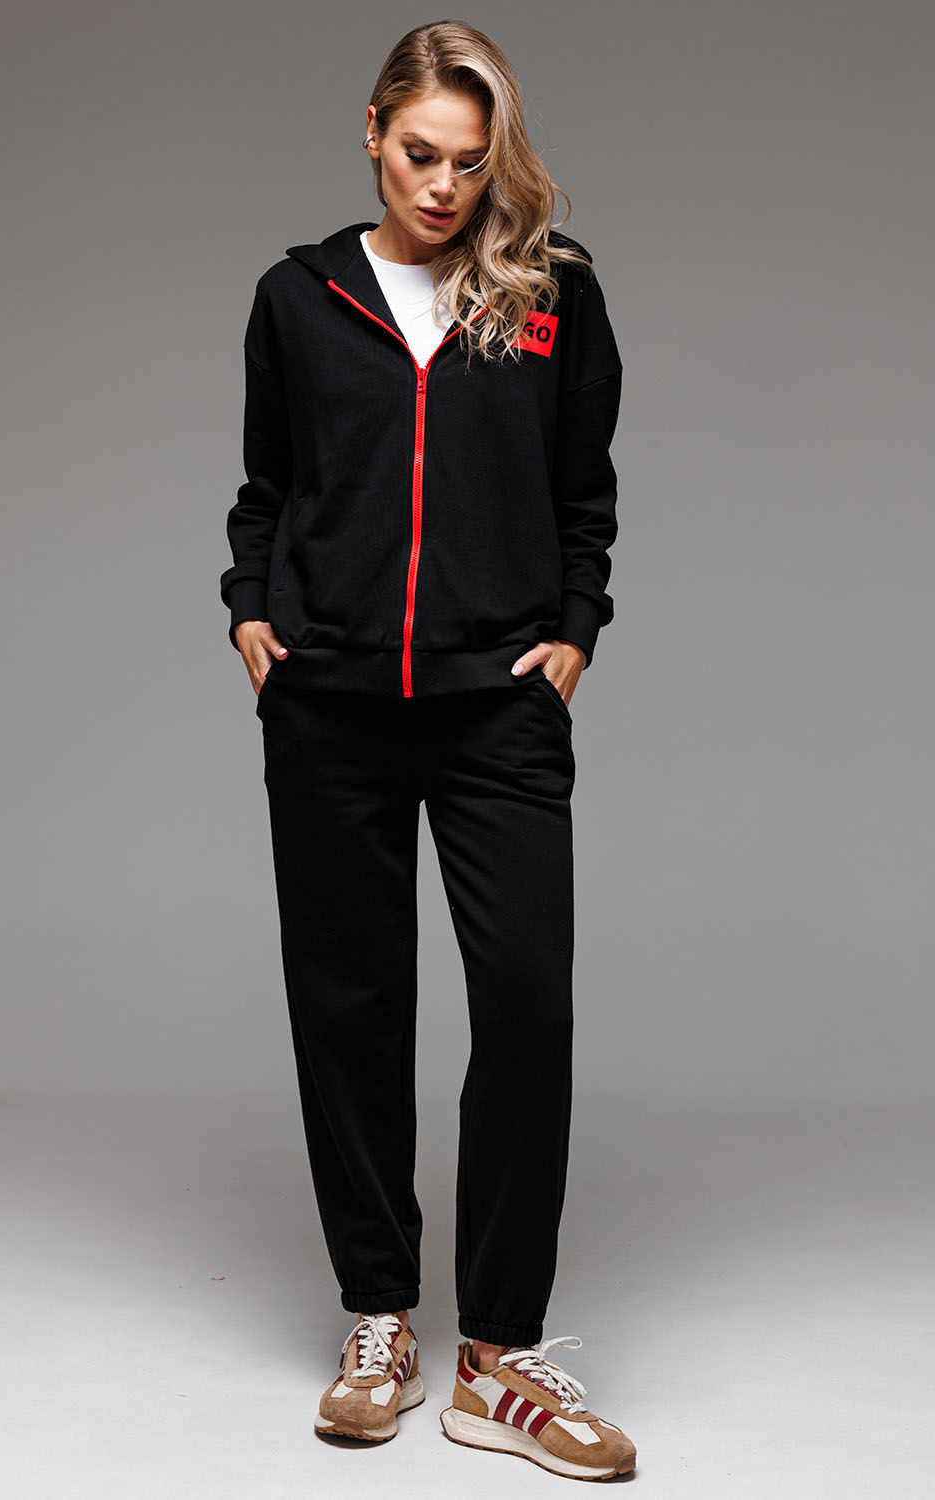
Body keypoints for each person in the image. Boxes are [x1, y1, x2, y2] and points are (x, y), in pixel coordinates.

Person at [219, 19, 637, 1482]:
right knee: (351, 1005)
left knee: (525, 1006)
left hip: (495, 705)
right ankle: (380, 1317)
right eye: (419, 155)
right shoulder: (298, 296)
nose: (445, 186)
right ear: (374, 134)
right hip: (329, 699)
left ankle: (498, 1360)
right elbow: (269, 483)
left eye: (469, 160)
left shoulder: (549, 291)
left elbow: (583, 487)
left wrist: (576, 624)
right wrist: (250, 608)